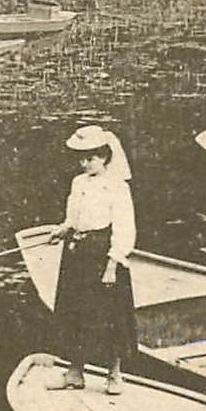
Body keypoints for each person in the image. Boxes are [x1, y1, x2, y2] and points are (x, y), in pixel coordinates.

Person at [48, 124, 137, 394]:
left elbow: (124, 227)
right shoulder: (78, 183)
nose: (85, 163)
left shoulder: (117, 187)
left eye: (91, 158)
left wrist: (112, 265)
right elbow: (74, 218)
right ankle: (75, 372)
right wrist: (63, 228)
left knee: (109, 315)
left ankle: (114, 374)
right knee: (75, 313)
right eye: (82, 158)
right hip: (77, 253)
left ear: (105, 157)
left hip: (103, 255)